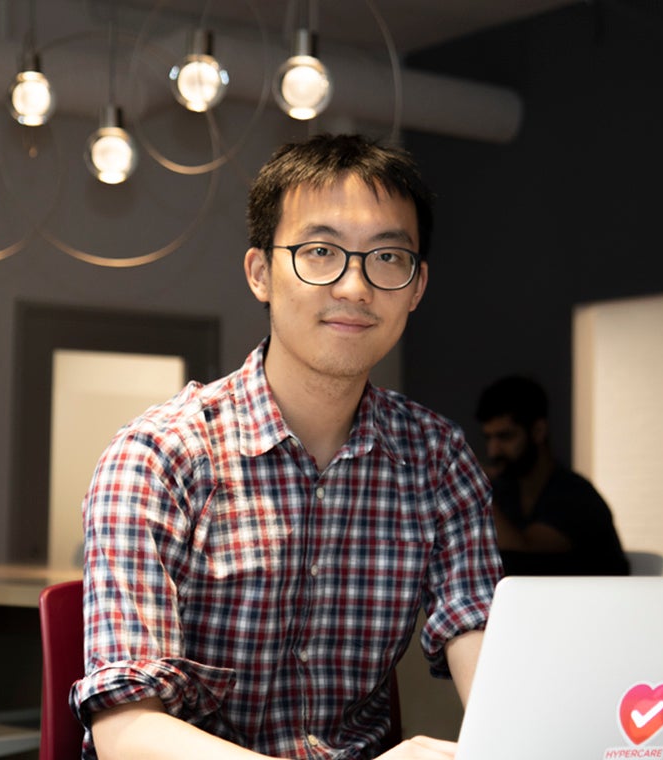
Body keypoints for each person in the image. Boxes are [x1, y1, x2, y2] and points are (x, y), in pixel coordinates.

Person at [69, 134, 504, 760]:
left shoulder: (435, 458)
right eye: (320, 252)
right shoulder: (158, 457)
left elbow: (479, 636)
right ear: (259, 274)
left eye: (387, 258)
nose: (355, 286)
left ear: (416, 287)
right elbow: (125, 732)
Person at [475, 375, 629, 576]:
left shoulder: (576, 496)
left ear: (538, 431)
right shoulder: (506, 491)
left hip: (593, 605)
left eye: (505, 436)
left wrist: (477, 488)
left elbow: (521, 554)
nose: (493, 451)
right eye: (489, 438)